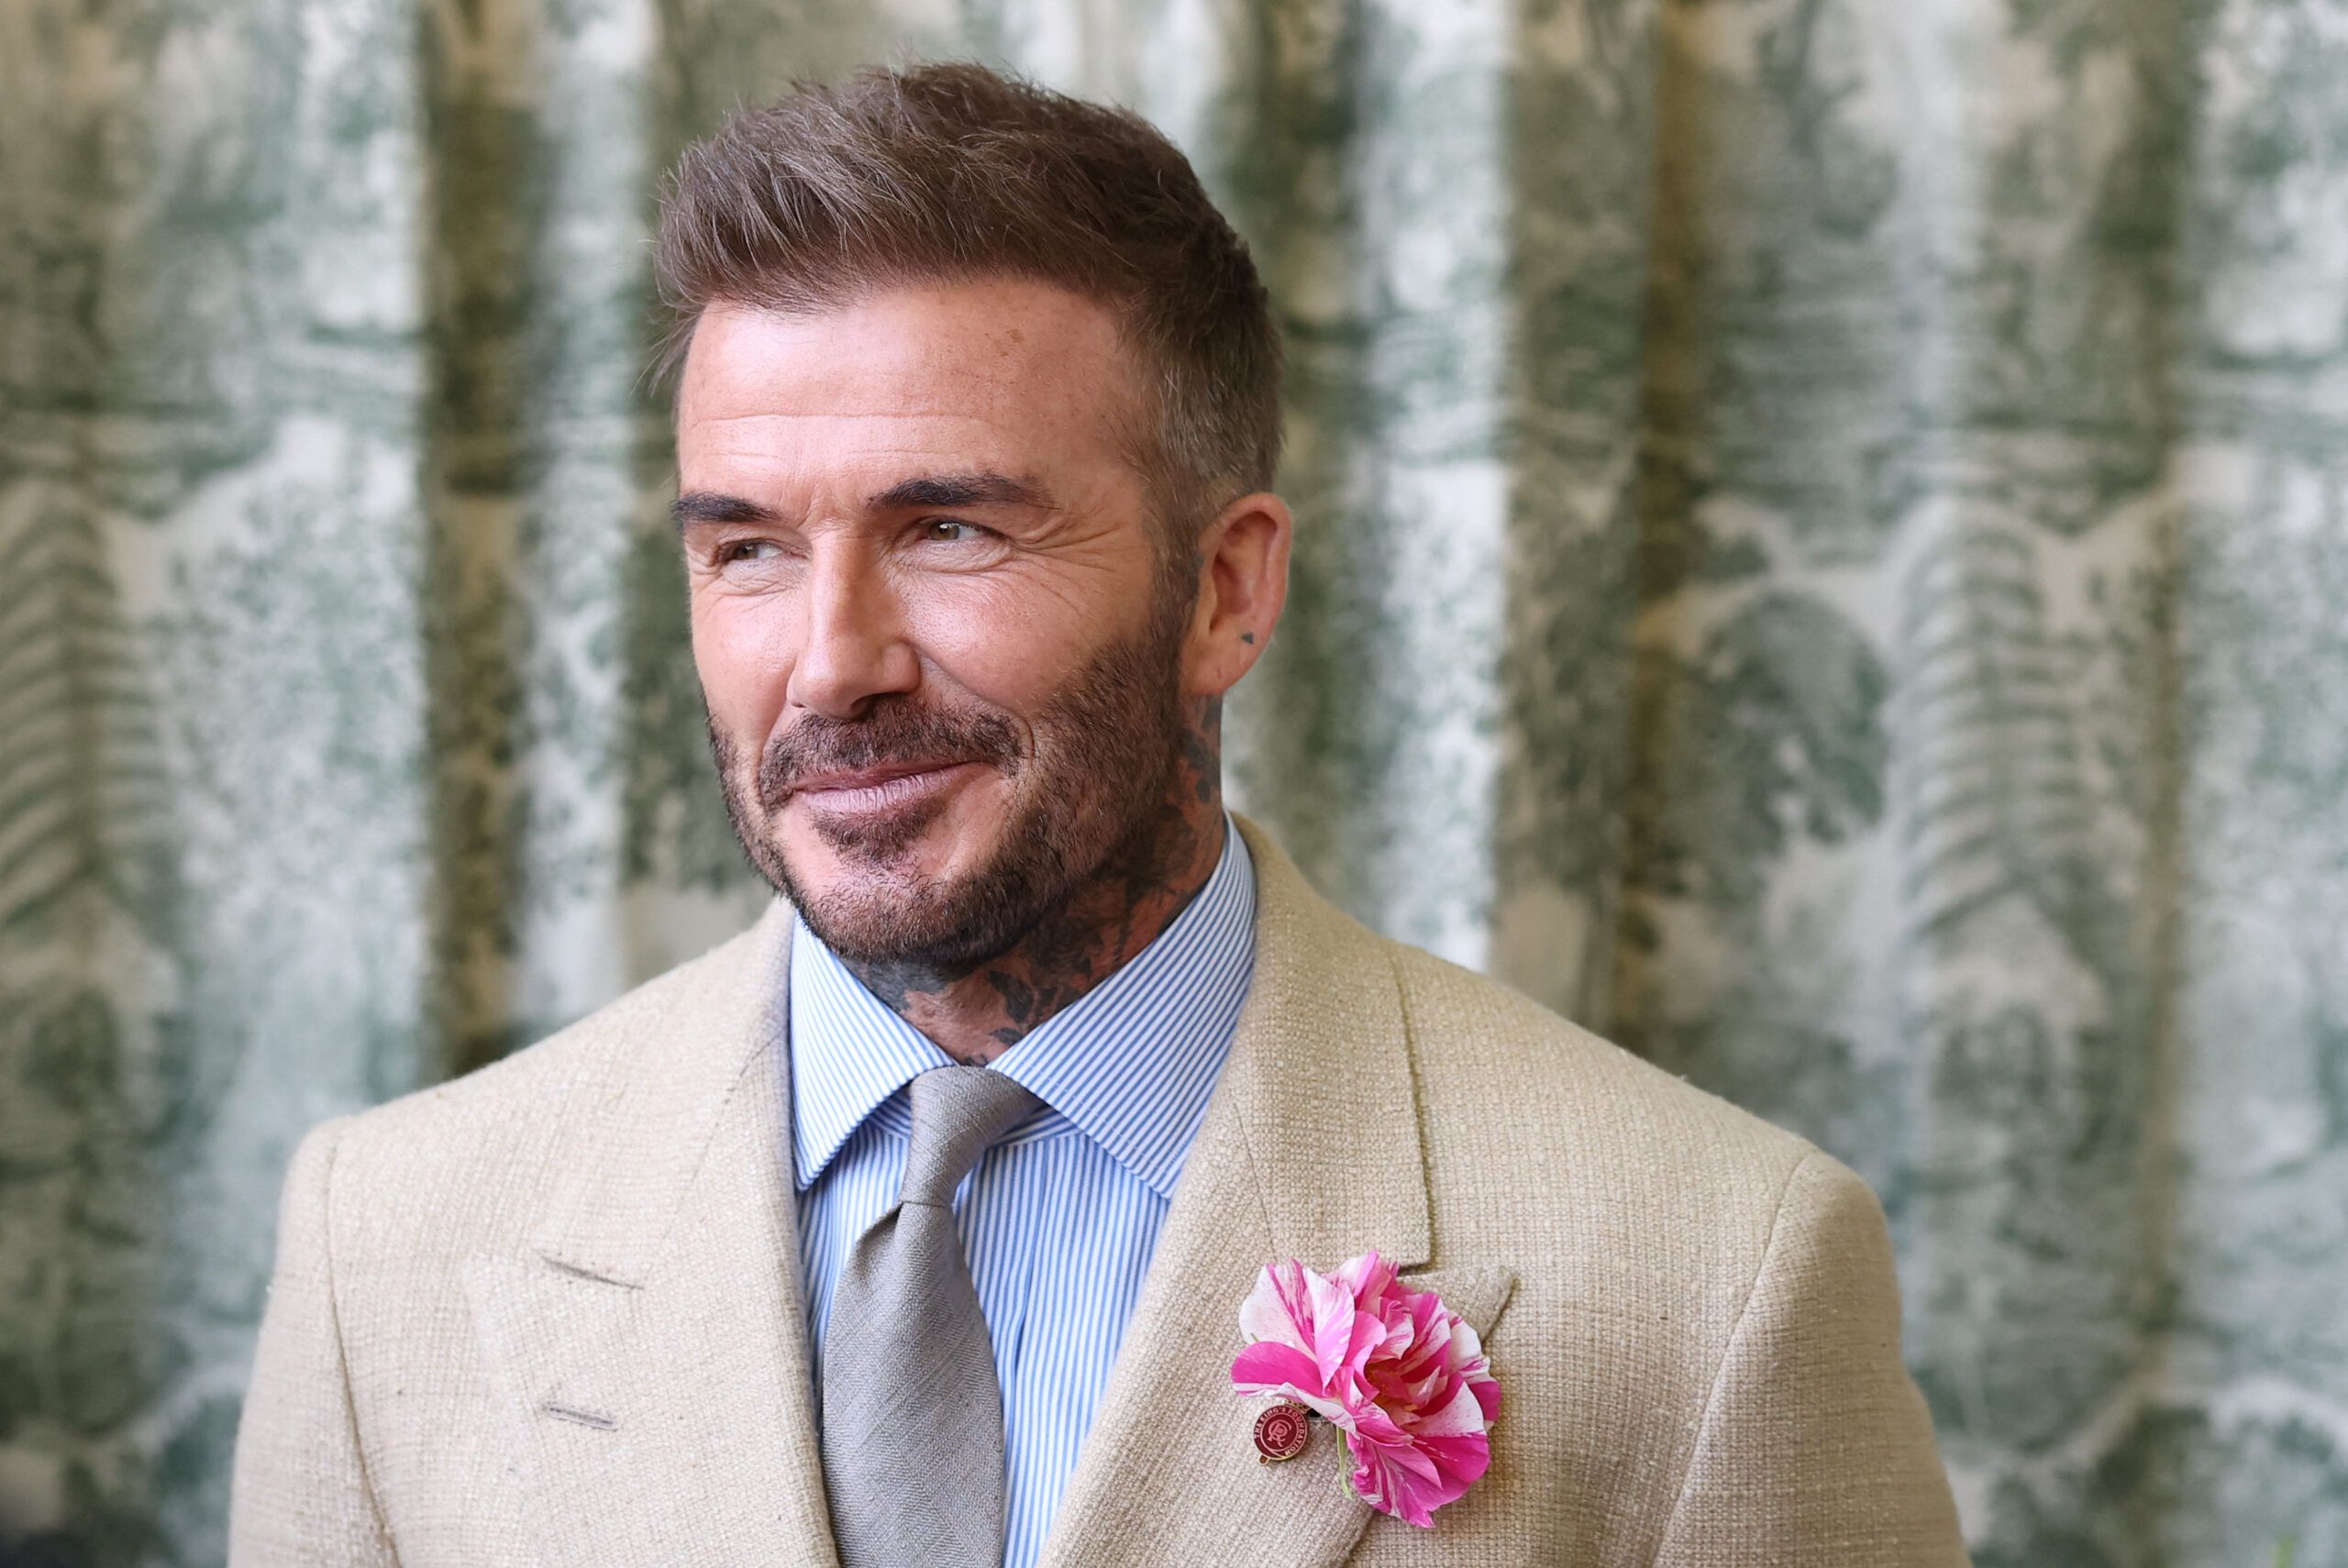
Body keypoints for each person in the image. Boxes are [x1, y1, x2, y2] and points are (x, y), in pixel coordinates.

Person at [227, 61, 1970, 1568]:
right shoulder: (386, 1247)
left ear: (1227, 589)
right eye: (746, 546)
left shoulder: (1718, 1276)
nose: (831, 666)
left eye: (952, 530)